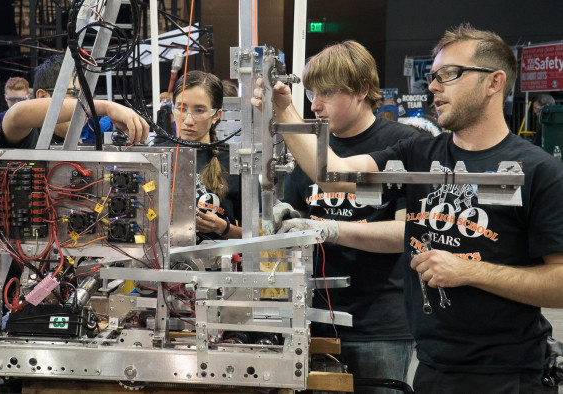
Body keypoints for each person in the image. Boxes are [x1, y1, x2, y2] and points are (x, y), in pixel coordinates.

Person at [252, 23, 563, 393]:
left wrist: (470, 271)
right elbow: (333, 175)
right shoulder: (418, 155)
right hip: (433, 367)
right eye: (433, 76)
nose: (433, 86)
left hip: (507, 374)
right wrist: (284, 110)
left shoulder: (539, 170)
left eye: (449, 74)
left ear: (494, 82)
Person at [270, 41, 416, 391]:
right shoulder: (312, 146)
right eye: (310, 93)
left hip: (378, 324)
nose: (315, 105)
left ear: (363, 89)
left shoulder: (404, 143)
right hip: (315, 317)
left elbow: (406, 234)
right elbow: (304, 211)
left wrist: (331, 229)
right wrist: (290, 216)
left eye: (327, 93)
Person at [0, 54, 147, 149]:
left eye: (88, 96)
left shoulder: (85, 141)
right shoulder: (28, 133)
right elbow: (16, 114)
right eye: (74, 94)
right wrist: (104, 106)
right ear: (43, 96)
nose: (86, 105)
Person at [165, 70, 242, 241]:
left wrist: (224, 228)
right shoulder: (158, 157)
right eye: (181, 109)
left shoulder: (234, 160)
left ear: (216, 115)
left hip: (219, 263)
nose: (188, 120)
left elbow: (259, 234)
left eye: (199, 110)